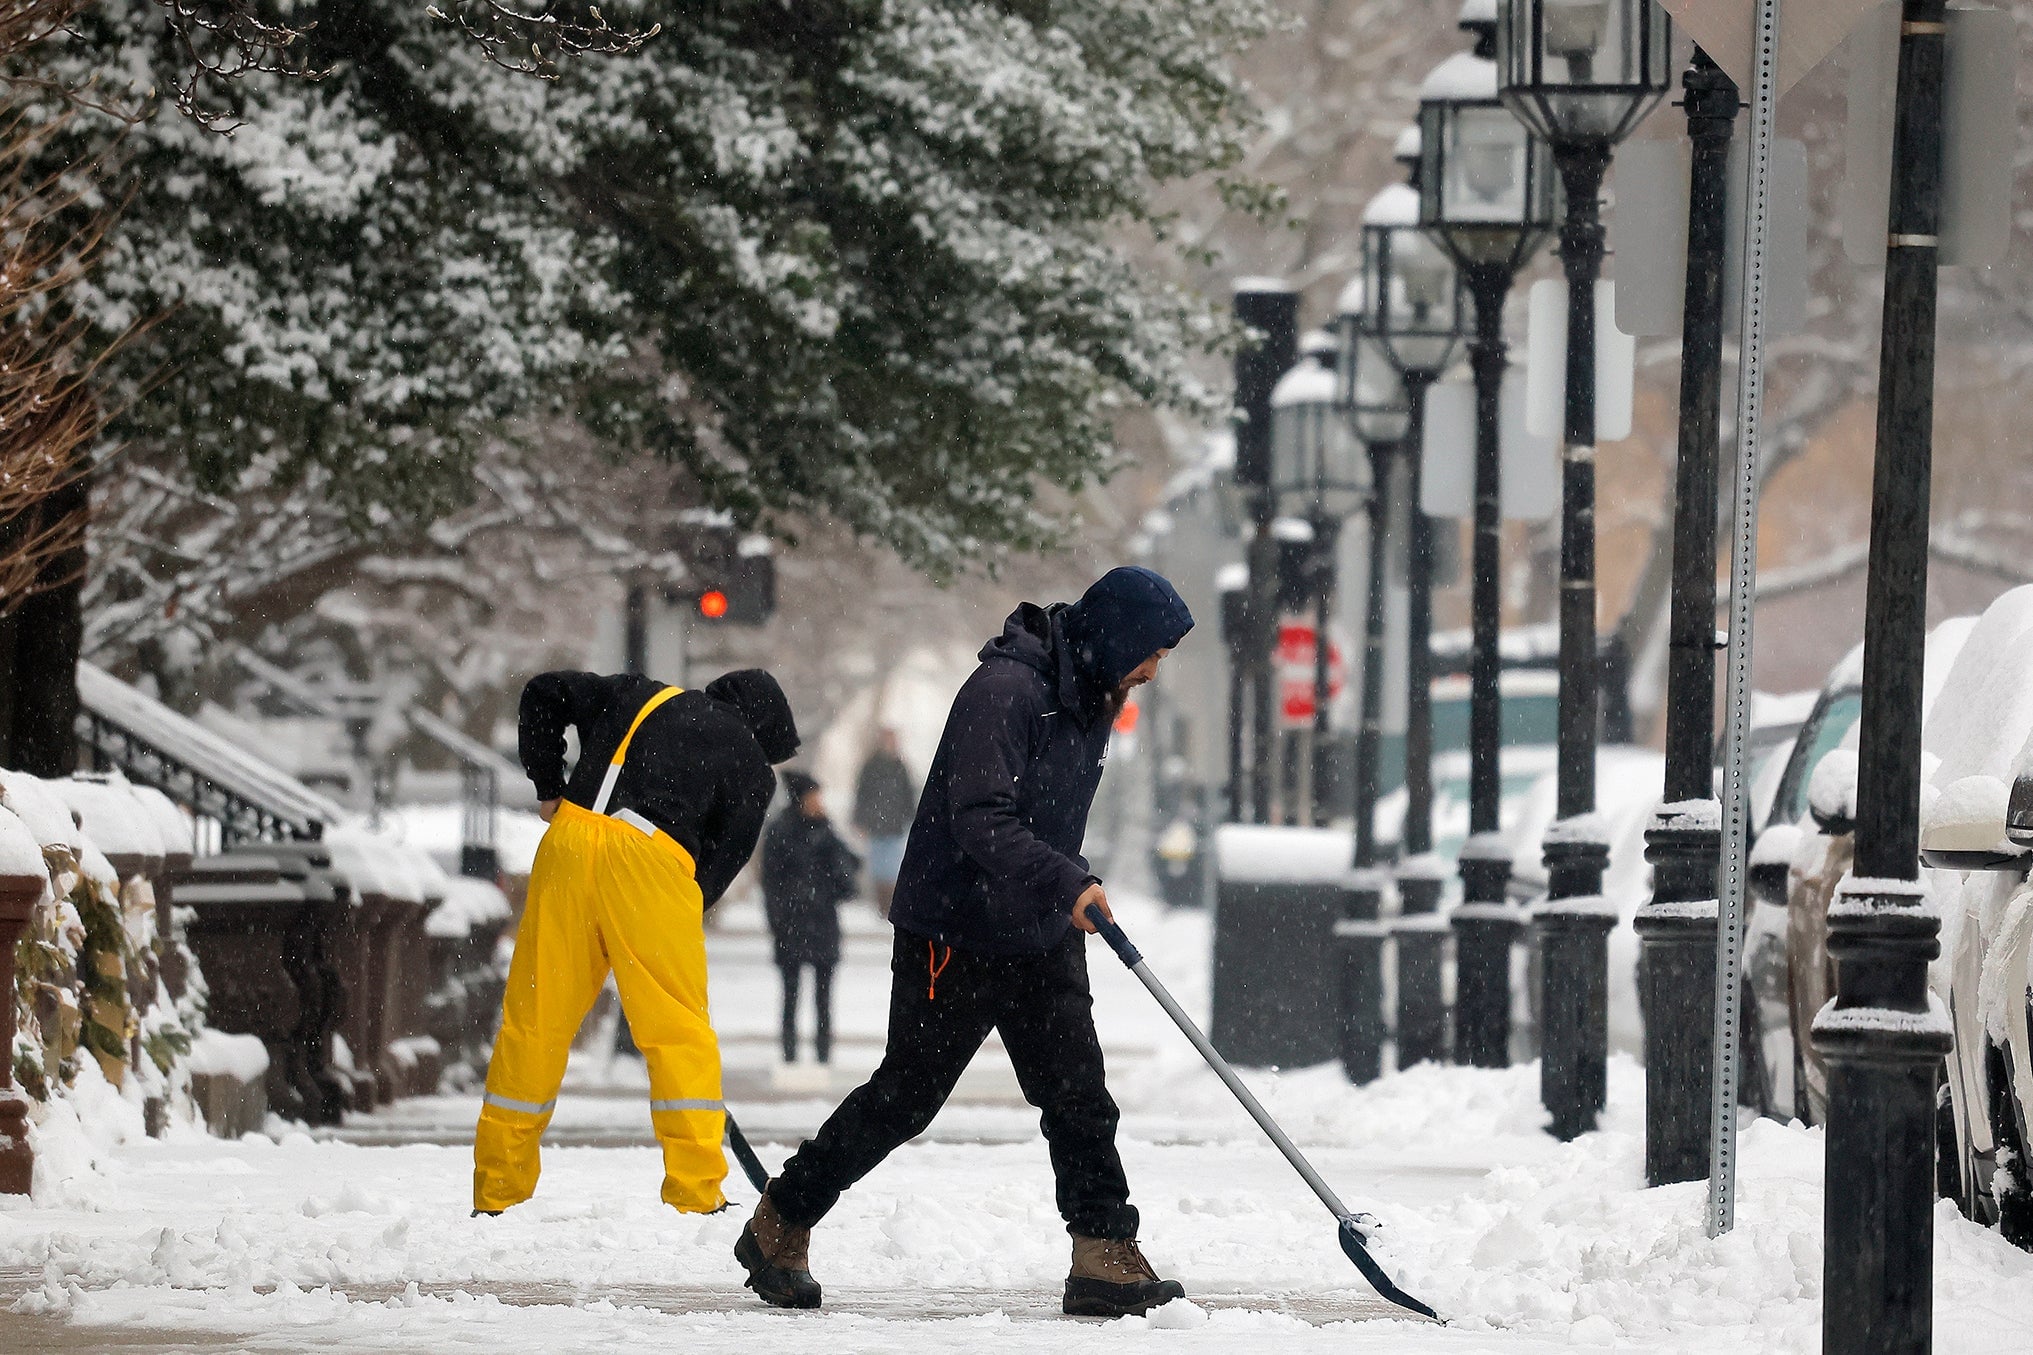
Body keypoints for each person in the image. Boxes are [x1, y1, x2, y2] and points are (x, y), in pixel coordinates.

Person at [734, 566, 1194, 1317]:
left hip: (1037, 929)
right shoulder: (1005, 692)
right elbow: (980, 818)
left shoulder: (1091, 698)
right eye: (1151, 653)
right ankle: (782, 1217)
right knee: (904, 1097)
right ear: (1115, 638)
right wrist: (1064, 878)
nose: (1152, 670)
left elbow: (1045, 817)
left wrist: (1062, 883)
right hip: (956, 930)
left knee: (1079, 1094)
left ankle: (1103, 1252)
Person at [474, 668, 799, 1218]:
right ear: (762, 728)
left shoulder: (633, 694)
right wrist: (668, 914)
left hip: (568, 845)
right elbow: (719, 866)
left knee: (534, 1024)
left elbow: (543, 693)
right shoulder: (750, 765)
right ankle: (695, 1191)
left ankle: (497, 1191)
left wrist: (549, 786)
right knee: (677, 1033)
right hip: (653, 862)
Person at [761, 771, 860, 1064]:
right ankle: (789, 1055)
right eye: (814, 796)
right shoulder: (780, 832)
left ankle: (823, 1055)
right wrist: (778, 922)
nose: (819, 802)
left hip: (823, 924)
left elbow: (848, 879)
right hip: (792, 926)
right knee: (790, 995)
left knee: (823, 997)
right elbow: (771, 884)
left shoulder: (827, 832)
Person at [851, 728, 917, 917]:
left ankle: (890, 904)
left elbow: (908, 795)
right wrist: (860, 820)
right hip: (876, 825)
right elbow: (862, 794)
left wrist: (911, 818)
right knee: (879, 866)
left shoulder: (900, 767)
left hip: (894, 826)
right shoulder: (871, 766)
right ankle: (882, 904)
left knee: (893, 867)